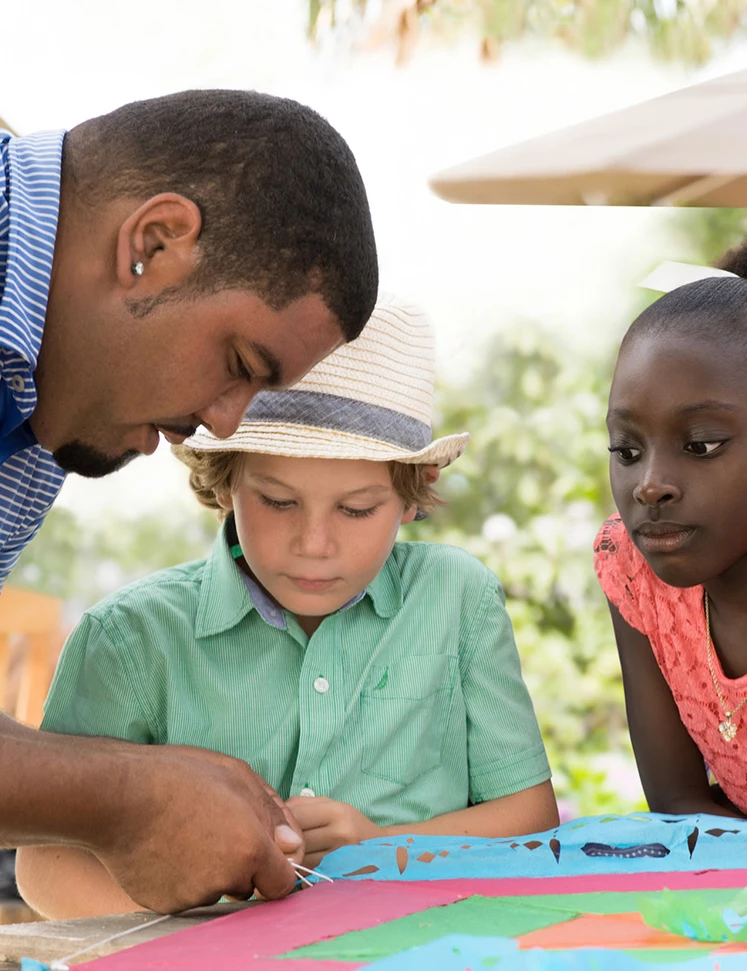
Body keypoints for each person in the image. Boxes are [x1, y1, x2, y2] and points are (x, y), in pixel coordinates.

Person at [17, 294, 558, 918]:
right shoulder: (128, 636)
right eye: (277, 502)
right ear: (225, 481)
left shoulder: (458, 599)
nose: (314, 545)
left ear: (413, 496)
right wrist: (211, 954)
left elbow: (531, 819)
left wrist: (382, 847)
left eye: (356, 510)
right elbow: (47, 863)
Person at [0, 89, 378, 910]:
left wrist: (138, 782)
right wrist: (121, 797)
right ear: (155, 242)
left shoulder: (41, 416)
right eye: (241, 363)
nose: (219, 423)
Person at [594, 242, 747, 820]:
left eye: (701, 445)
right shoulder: (637, 571)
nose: (650, 485)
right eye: (626, 450)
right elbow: (678, 802)